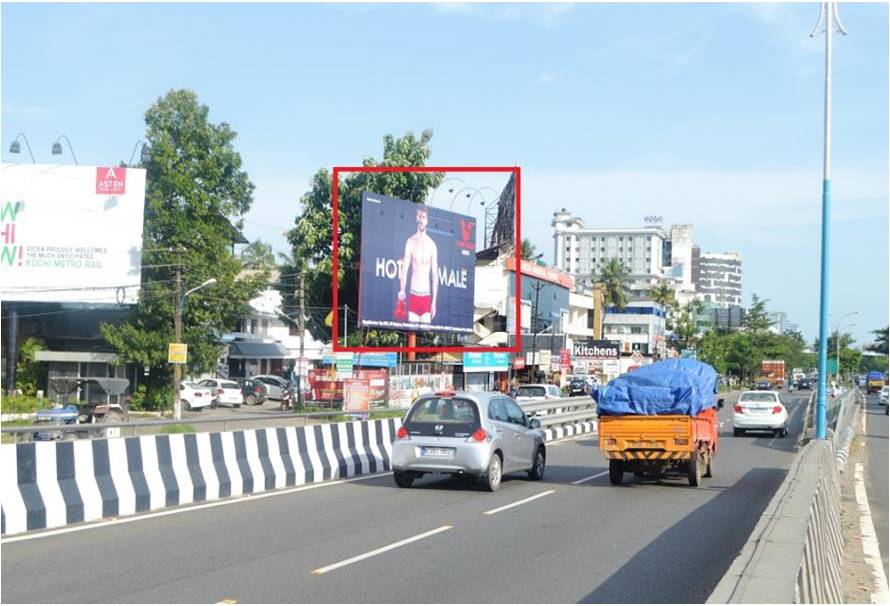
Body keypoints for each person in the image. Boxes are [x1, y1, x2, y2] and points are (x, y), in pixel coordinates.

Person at [398, 204, 438, 324]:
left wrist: (434, 302)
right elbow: (404, 270)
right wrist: (402, 290)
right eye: (420, 216)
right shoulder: (410, 242)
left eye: (424, 217)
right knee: (411, 335)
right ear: (416, 218)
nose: (421, 220)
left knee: (424, 337)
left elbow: (435, 276)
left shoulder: (432, 245)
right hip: (413, 294)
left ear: (427, 220)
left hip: (426, 297)